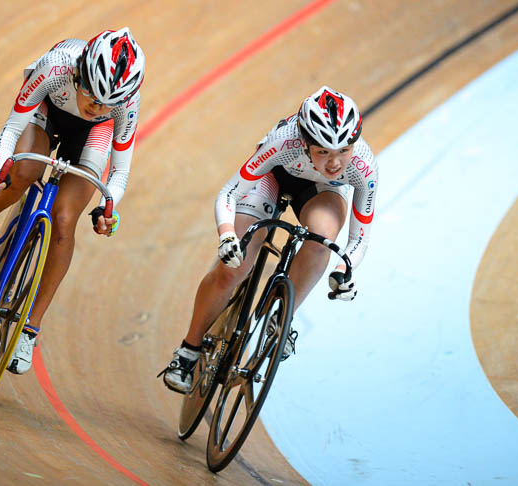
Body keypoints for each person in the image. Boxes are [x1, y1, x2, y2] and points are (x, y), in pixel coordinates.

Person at [160, 86, 378, 393]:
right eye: (323, 152)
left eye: (344, 150)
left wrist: (346, 271)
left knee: (322, 240)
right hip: (272, 177)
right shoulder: (283, 143)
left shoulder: (364, 166)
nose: (334, 163)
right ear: (305, 143)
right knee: (233, 270)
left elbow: (359, 239)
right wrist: (226, 236)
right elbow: (229, 193)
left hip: (320, 192)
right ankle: (188, 351)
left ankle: (283, 317)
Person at [0, 28, 145, 375]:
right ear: (79, 75)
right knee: (23, 172)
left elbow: (119, 173)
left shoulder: (126, 104)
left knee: (65, 220)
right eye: (91, 94)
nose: (96, 106)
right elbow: (12, 128)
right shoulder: (56, 66)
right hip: (47, 110)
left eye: (107, 103)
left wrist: (109, 207)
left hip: (94, 136)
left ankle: (30, 329)